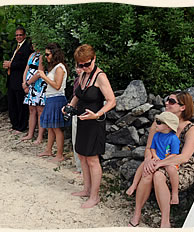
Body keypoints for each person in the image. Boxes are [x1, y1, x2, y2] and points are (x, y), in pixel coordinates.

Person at [129, 91, 194, 228]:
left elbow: (184, 157)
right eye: (167, 100)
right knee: (148, 172)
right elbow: (149, 147)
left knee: (159, 175)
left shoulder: (191, 128)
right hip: (157, 158)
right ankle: (137, 214)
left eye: (172, 101)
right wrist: (150, 160)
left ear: (183, 107)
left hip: (181, 166)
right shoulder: (159, 122)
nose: (166, 103)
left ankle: (165, 221)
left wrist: (159, 163)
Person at [66, 44, 116, 208]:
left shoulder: (100, 76)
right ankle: (86, 189)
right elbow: (78, 95)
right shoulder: (83, 75)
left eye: (87, 64)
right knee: (82, 155)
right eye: (81, 65)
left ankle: (94, 196)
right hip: (82, 120)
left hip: (94, 122)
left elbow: (111, 101)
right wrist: (69, 106)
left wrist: (98, 114)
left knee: (93, 159)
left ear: (94, 59)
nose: (85, 67)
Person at [126, 112, 181, 205]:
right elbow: (152, 148)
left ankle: (175, 193)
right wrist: (155, 157)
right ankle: (134, 184)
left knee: (172, 170)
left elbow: (174, 154)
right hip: (157, 159)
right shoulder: (156, 135)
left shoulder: (174, 138)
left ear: (168, 127)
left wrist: (163, 162)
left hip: (168, 161)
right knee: (144, 164)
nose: (156, 124)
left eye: (159, 122)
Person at [37, 43, 71, 163]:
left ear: (54, 54)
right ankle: (49, 150)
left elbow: (57, 85)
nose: (46, 57)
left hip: (57, 98)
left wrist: (44, 77)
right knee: (51, 126)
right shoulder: (56, 67)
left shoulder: (60, 68)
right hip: (51, 98)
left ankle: (60, 154)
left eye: (48, 54)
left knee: (56, 128)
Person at [3, 26, 33, 134]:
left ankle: (21, 126)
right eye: (17, 35)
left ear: (24, 35)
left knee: (21, 104)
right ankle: (15, 124)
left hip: (20, 79)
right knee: (12, 103)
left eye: (20, 35)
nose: (18, 37)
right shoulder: (16, 47)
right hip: (12, 79)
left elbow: (25, 63)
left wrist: (12, 64)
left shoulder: (26, 47)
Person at [21, 42, 47, 144]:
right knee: (31, 109)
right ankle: (30, 134)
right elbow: (26, 69)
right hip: (29, 84)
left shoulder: (42, 56)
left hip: (39, 85)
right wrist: (24, 83)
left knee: (40, 110)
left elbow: (39, 72)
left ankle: (40, 136)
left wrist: (28, 83)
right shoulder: (32, 55)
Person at [71, 65, 83, 174]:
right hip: (75, 112)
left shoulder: (90, 81)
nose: (78, 70)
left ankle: (83, 169)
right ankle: (79, 167)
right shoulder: (76, 80)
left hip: (84, 113)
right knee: (75, 141)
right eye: (77, 67)